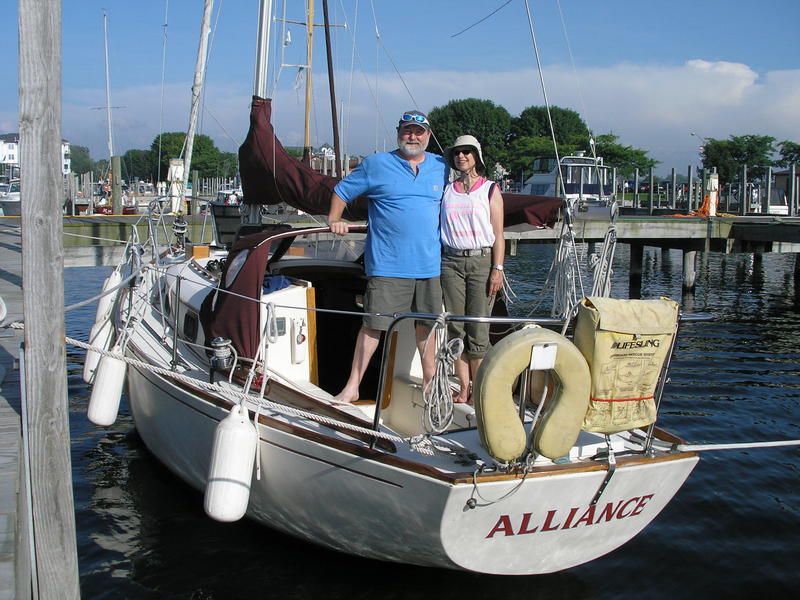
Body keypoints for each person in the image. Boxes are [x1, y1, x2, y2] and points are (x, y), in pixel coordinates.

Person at [327, 110, 449, 403]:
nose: (413, 136)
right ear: (398, 133)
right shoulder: (377, 163)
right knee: (373, 326)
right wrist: (334, 219)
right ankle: (352, 386)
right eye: (408, 130)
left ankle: (431, 379)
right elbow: (342, 190)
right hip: (388, 265)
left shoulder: (442, 166)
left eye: (419, 132)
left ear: (428, 137)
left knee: (426, 325)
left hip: (429, 265)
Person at [440, 135, 505, 403]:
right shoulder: (446, 189)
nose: (461, 156)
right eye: (457, 152)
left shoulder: (490, 189)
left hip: (481, 261)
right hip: (450, 262)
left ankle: (478, 389)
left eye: (467, 152)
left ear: (477, 155)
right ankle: (463, 387)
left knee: (478, 328)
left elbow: (499, 234)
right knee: (456, 328)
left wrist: (497, 268)